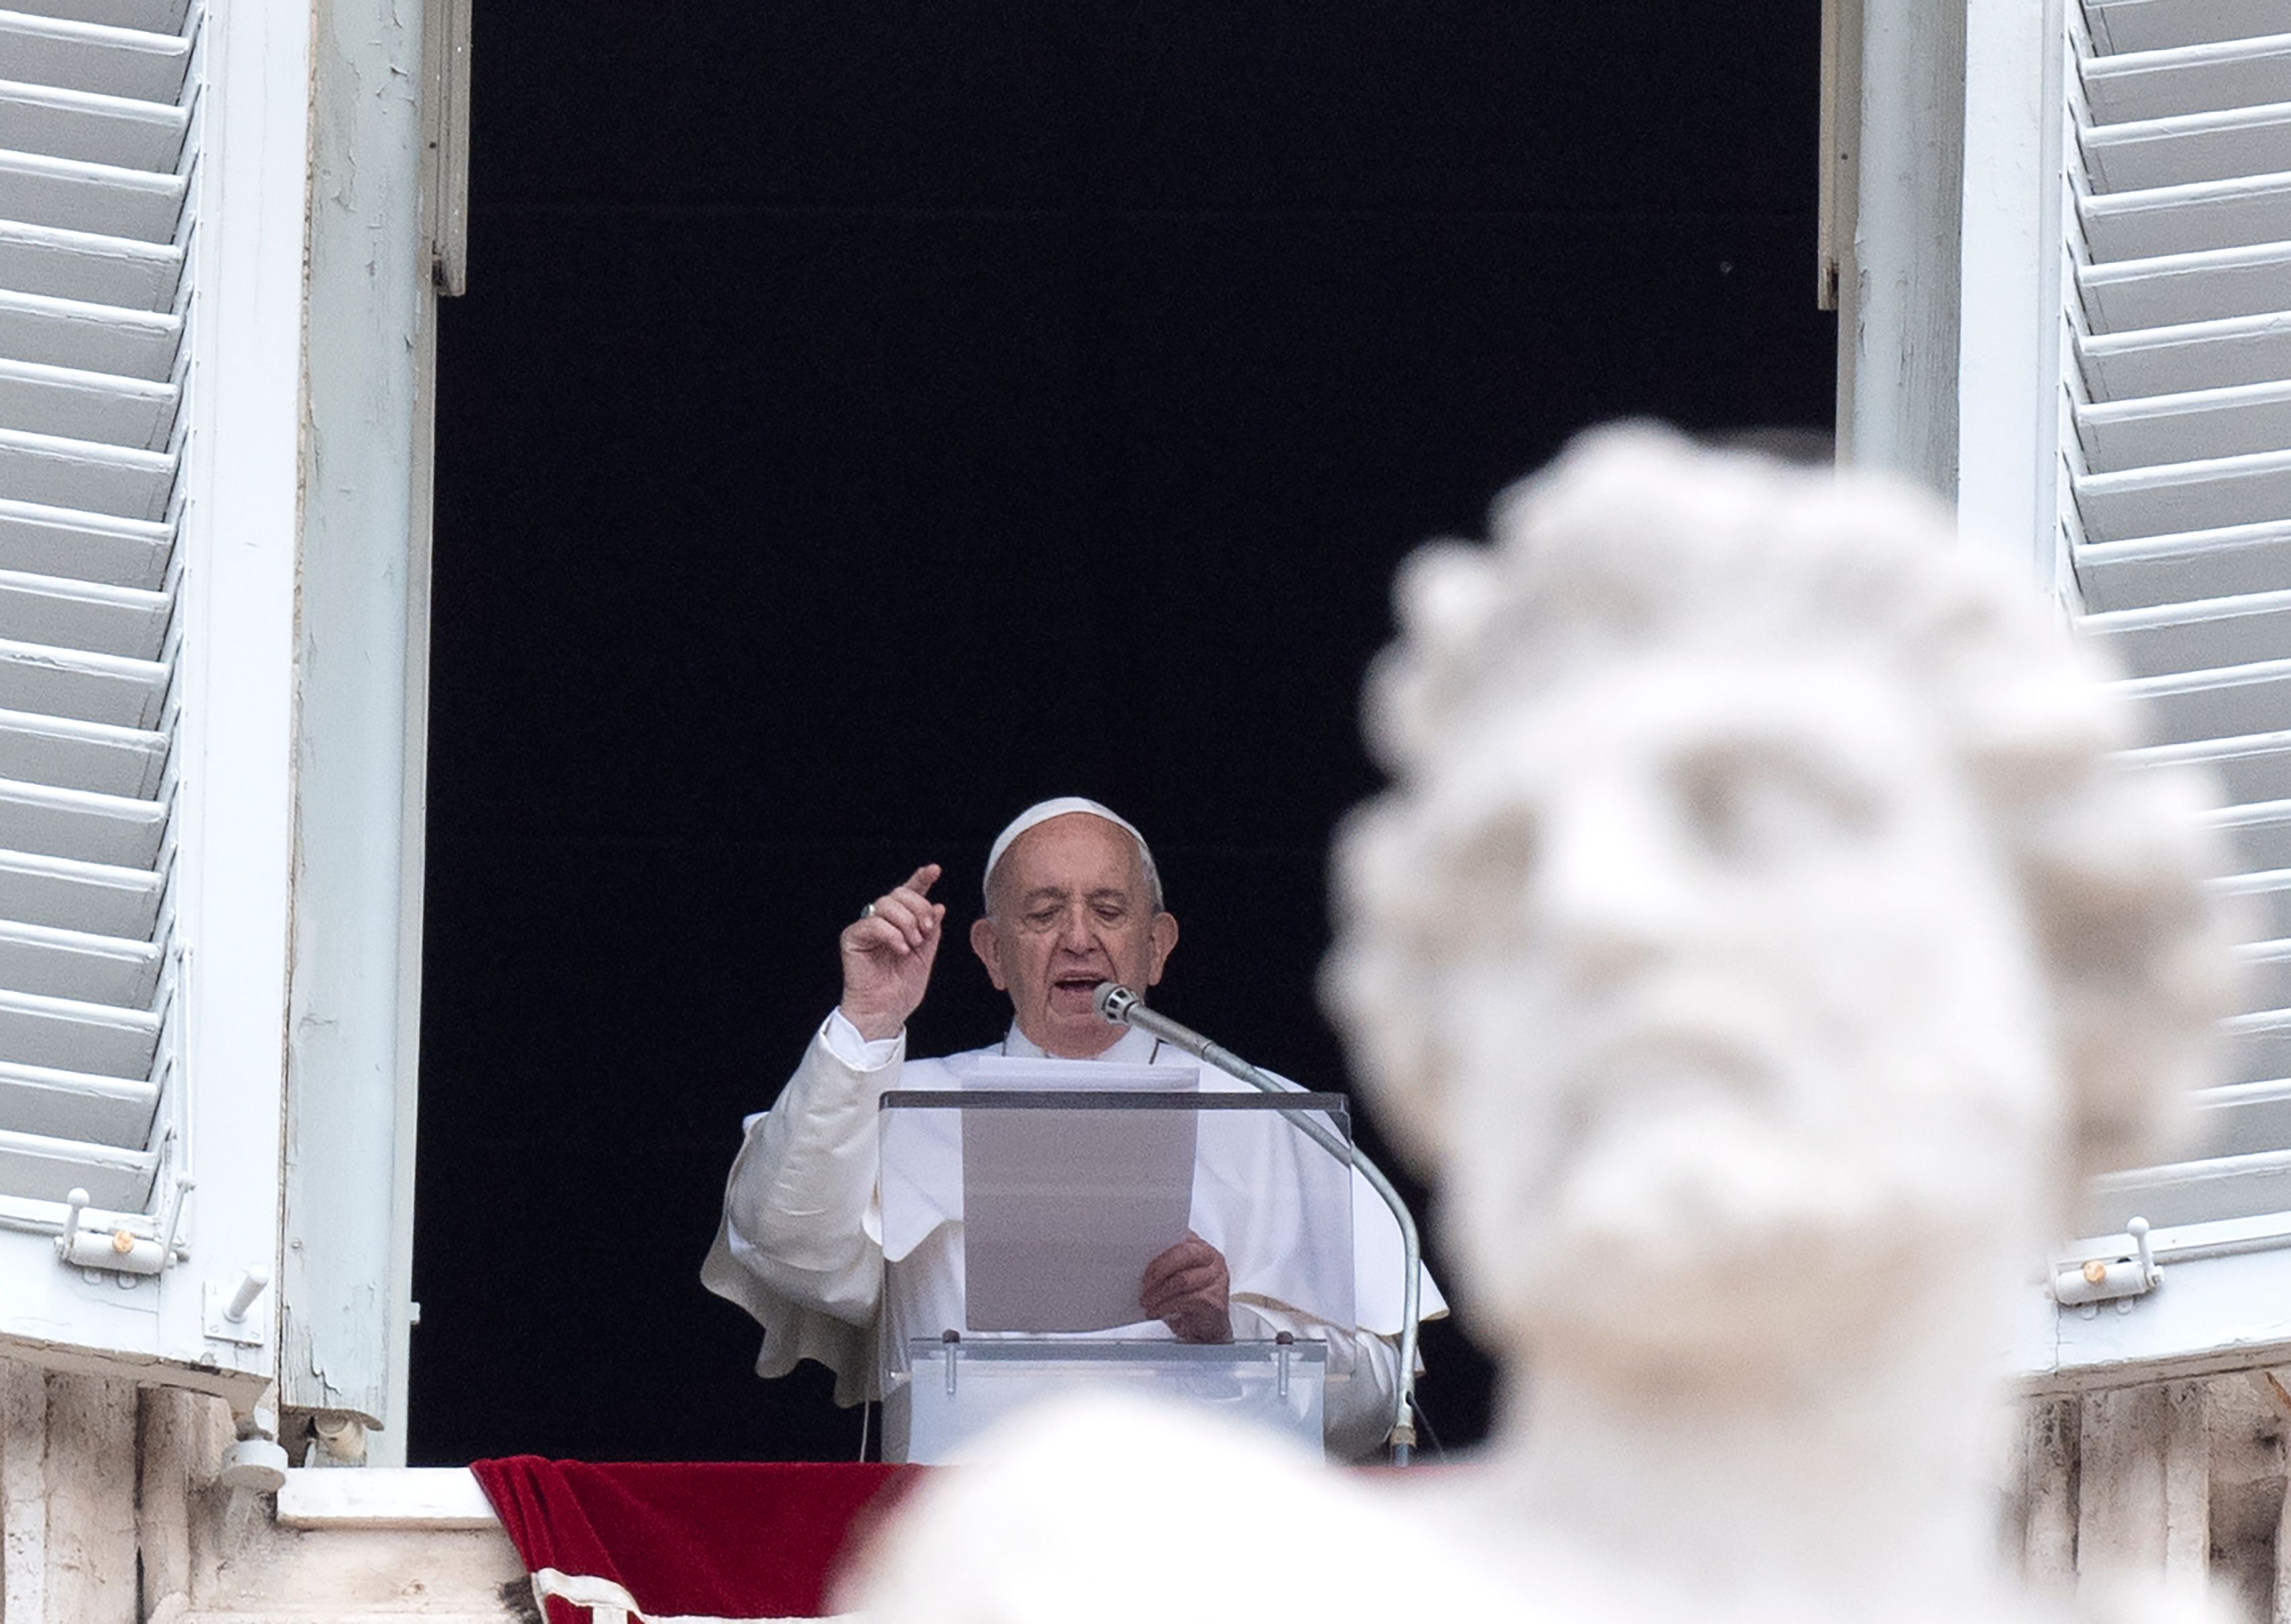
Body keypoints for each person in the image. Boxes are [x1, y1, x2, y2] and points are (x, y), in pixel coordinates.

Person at [702, 797, 1438, 1462]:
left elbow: (1376, 1400)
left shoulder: (1267, 1112)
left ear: (1158, 944)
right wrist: (868, 1021)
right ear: (991, 951)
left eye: (1109, 910)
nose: (1078, 937)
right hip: (959, 1549)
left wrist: (1230, 1338)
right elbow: (782, 1245)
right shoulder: (904, 1101)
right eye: (1043, 911)